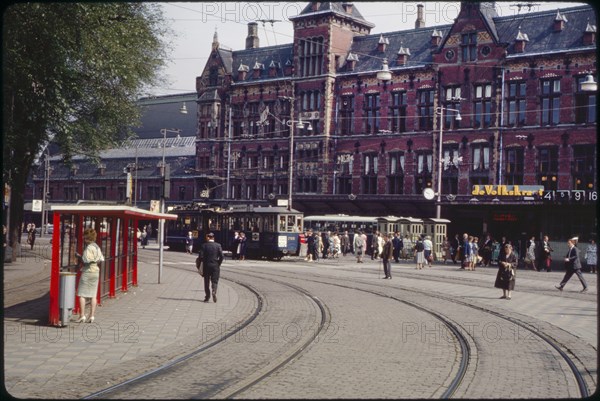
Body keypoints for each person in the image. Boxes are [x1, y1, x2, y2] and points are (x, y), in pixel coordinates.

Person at [75, 228, 105, 322]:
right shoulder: (97, 247)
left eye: (84, 237)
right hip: (96, 271)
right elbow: (101, 259)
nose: (84, 239)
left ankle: (82, 315)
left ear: (87, 238)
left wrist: (79, 256)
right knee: (93, 295)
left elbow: (86, 260)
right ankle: (92, 316)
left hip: (88, 271)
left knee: (82, 294)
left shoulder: (88, 248)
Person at [198, 232, 224, 303]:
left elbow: (201, 256)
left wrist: (201, 263)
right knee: (215, 280)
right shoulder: (218, 245)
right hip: (215, 266)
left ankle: (207, 297)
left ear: (208, 237)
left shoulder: (204, 245)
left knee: (206, 281)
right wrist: (218, 263)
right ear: (213, 238)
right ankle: (214, 291)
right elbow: (222, 256)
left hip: (206, 266)